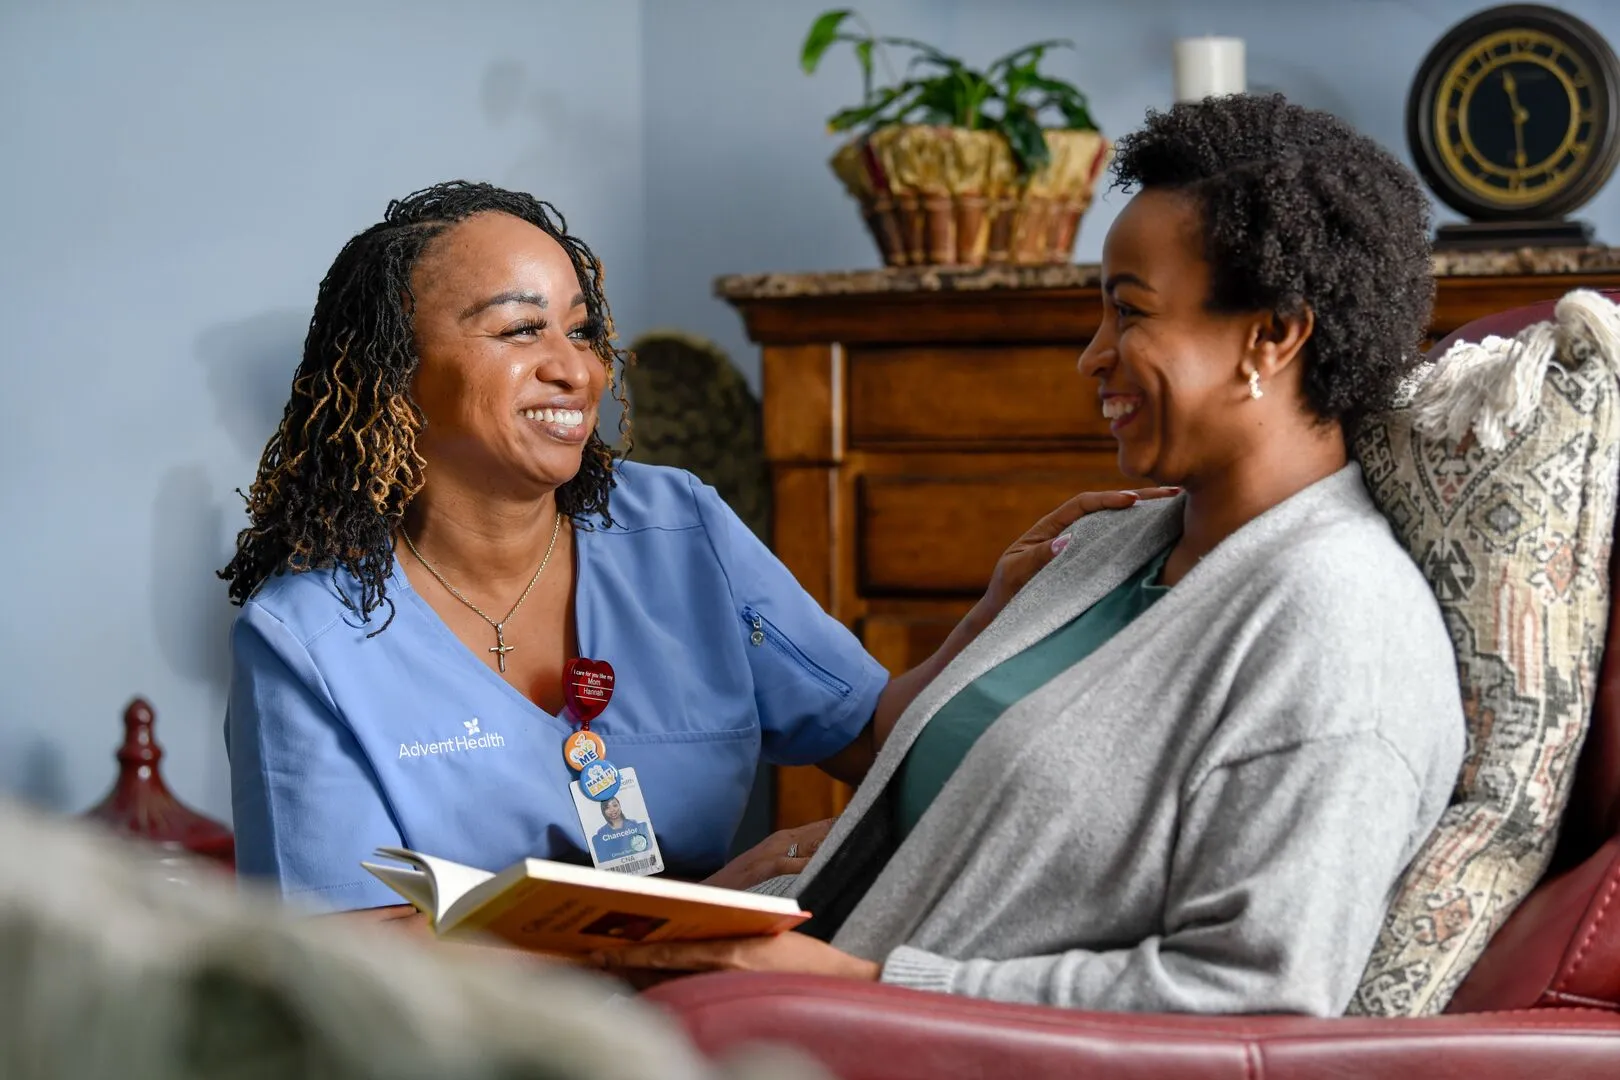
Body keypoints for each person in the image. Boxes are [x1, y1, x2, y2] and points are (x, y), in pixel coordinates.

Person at [591, 94, 1469, 1018]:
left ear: (1275, 334)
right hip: (748, 1005)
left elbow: (1255, 994)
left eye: (1130, 314)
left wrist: (856, 983)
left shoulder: (1340, 627)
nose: (1093, 356)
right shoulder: (1103, 549)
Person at [222, 180, 1160, 920]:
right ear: (394, 381)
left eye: (582, 330)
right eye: (521, 330)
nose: (577, 367)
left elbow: (876, 737)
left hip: (717, 1016)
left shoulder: (677, 527)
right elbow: (353, 963)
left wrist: (1004, 606)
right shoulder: (305, 636)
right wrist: (687, 919)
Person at [592, 796, 651, 862]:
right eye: (607, 808)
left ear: (620, 806)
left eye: (615, 805)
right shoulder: (602, 832)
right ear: (603, 811)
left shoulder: (633, 824)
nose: (612, 810)